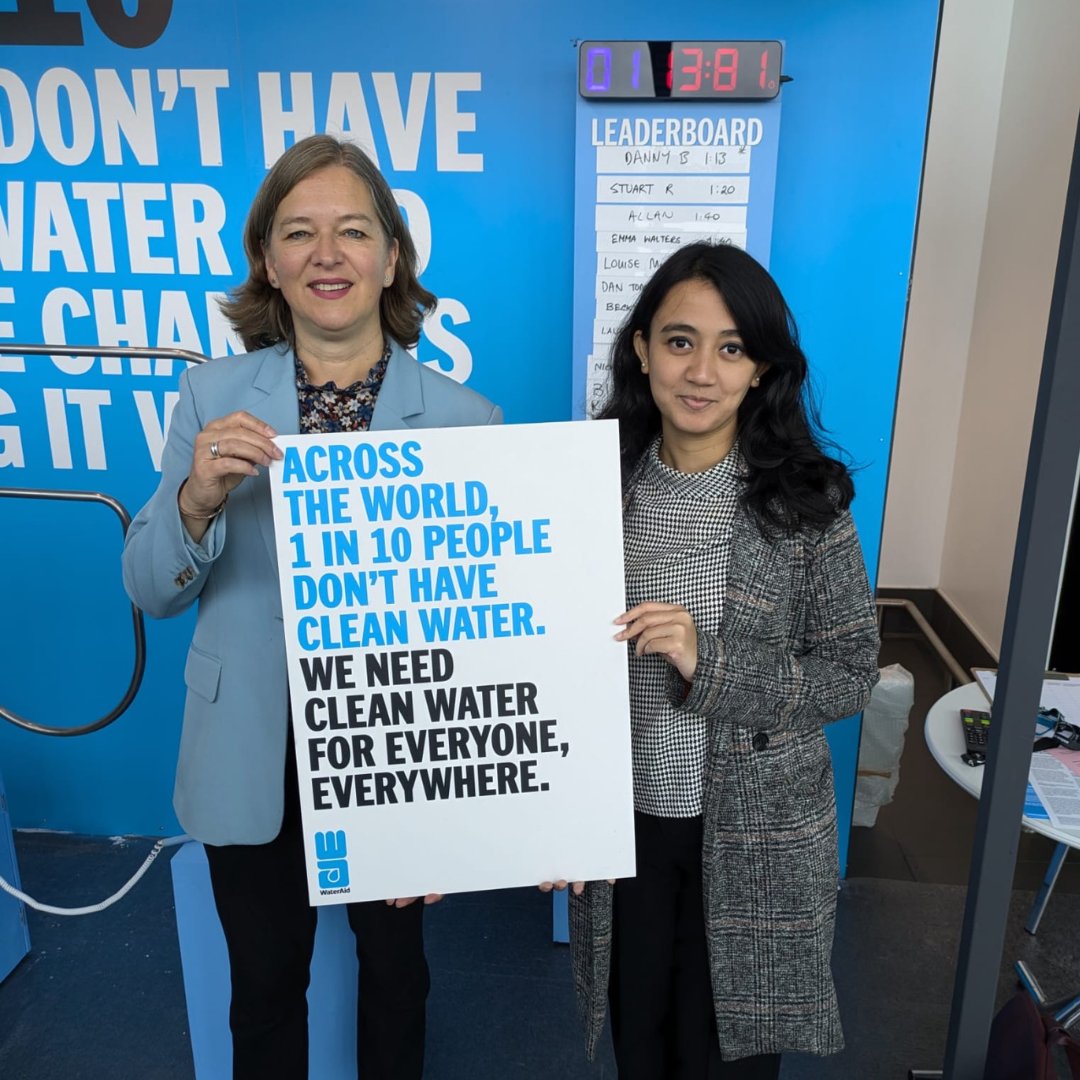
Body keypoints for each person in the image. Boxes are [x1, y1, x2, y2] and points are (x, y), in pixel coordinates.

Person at [122, 134, 501, 1080]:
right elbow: (147, 589)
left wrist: (473, 801)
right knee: (262, 987)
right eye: (299, 233)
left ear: (390, 259)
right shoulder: (209, 396)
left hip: (399, 748)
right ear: (269, 262)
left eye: (352, 231)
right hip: (249, 744)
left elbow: (486, 628)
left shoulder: (468, 421)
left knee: (396, 978)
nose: (327, 255)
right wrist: (196, 501)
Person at [564, 242, 880, 1079]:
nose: (701, 370)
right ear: (641, 350)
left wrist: (714, 661)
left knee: (725, 1057)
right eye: (679, 341)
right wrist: (549, 812)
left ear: (762, 368)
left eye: (731, 347)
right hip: (623, 829)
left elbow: (852, 671)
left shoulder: (807, 504)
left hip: (753, 833)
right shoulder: (585, 487)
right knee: (638, 1043)